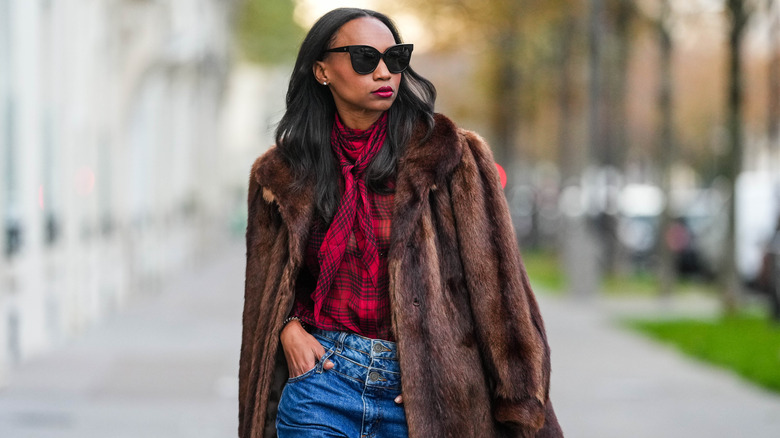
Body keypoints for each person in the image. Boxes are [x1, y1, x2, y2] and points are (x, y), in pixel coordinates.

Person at [239, 7, 563, 438]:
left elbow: (500, 291)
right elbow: (267, 291)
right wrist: (287, 329)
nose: (382, 72)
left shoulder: (450, 157)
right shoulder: (281, 173)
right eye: (363, 58)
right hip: (322, 384)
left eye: (395, 59)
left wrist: (519, 402)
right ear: (321, 70)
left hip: (424, 396)